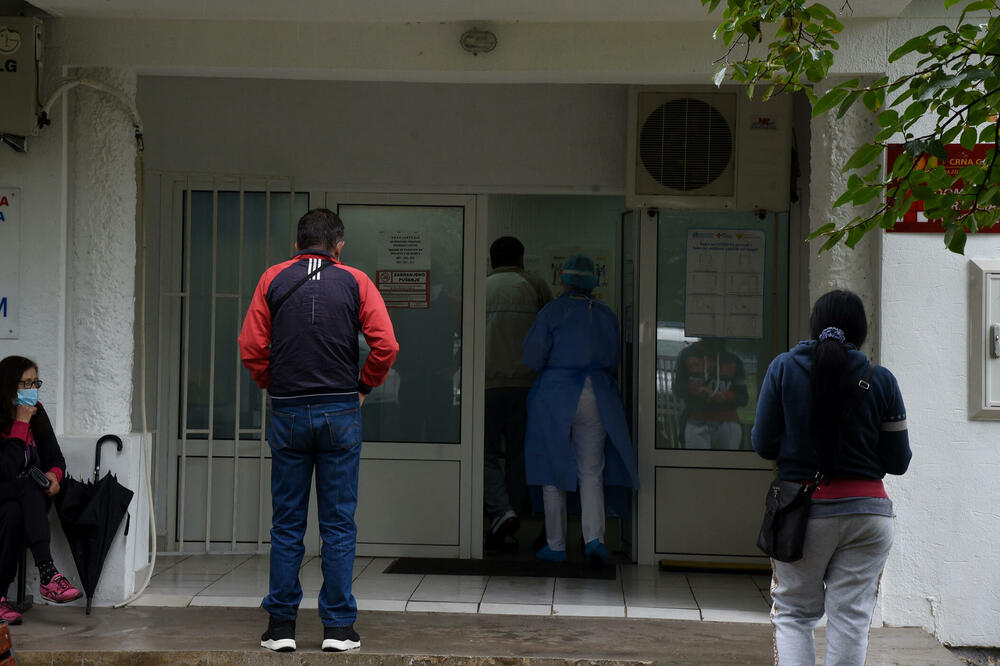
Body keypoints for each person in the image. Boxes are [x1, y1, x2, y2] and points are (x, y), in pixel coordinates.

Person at [239, 208, 398, 654]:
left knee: (287, 523)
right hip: (340, 413)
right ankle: (339, 629)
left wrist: (273, 383)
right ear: (339, 246)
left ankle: (281, 628)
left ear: (297, 244)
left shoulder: (273, 278)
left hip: (288, 412)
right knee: (339, 525)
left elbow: (251, 346)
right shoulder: (356, 281)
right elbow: (386, 344)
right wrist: (364, 385)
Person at [751, 290, 911, 665]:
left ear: (815, 325)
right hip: (869, 518)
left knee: (793, 613)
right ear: (861, 330)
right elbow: (898, 460)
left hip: (802, 516)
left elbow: (763, 443)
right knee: (851, 620)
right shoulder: (881, 379)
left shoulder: (783, 368)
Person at [522, 254, 638, 565]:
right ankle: (595, 539)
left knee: (551, 469)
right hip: (598, 394)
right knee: (591, 469)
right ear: (592, 281)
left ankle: (556, 544)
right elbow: (614, 360)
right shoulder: (605, 314)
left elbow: (532, 357)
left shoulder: (552, 312)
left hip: (556, 396)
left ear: (563, 279)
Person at [0, 356, 83, 625]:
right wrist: (20, 423)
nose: (32, 389)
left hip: (23, 504)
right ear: (8, 387)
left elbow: (56, 459)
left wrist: (53, 476)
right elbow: (6, 469)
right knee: (23, 491)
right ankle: (48, 574)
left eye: (35, 382)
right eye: (25, 383)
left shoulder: (38, 412)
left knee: (14, 514)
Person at [484, 236, 552, 550]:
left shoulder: (480, 287)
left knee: (483, 455)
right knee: (518, 456)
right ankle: (510, 520)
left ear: (491, 260)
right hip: (528, 386)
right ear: (521, 259)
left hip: (487, 385)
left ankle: (502, 513)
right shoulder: (537, 287)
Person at [674, 338, 748, 449]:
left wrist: (725, 396)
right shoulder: (686, 355)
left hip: (726, 422)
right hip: (698, 419)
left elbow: (743, 397)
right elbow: (677, 388)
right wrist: (696, 390)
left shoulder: (734, 360)